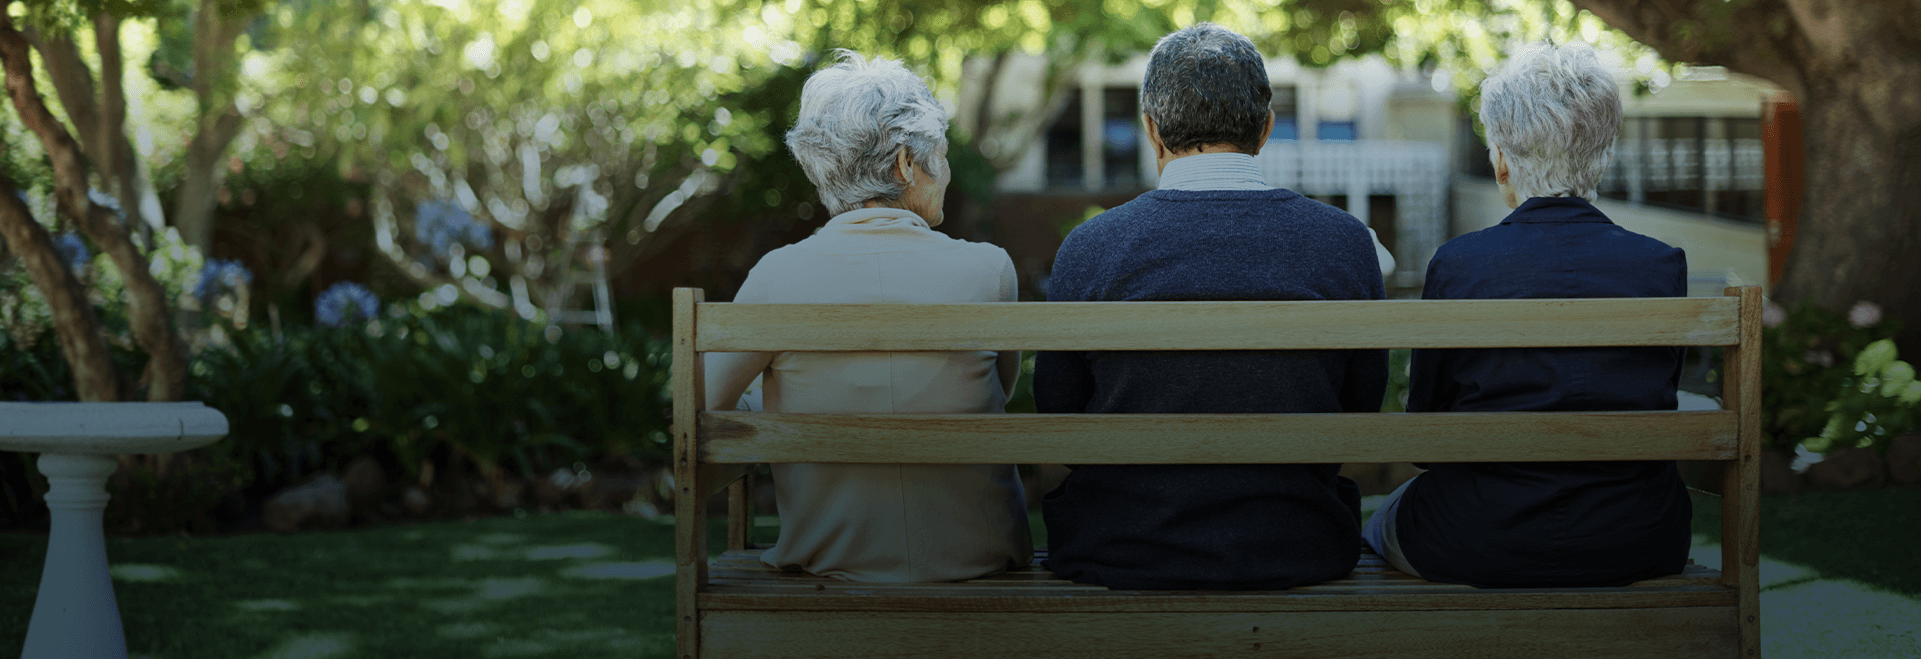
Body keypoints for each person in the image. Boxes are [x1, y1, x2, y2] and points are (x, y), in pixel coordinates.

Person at [1036, 23, 1388, 591]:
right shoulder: (1344, 242)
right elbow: (1360, 411)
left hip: (1120, 547)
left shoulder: (1090, 248)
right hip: (1300, 545)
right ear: (1267, 128)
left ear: (1151, 130)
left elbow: (1060, 418)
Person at [1363, 42, 1691, 588]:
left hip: (1478, 535)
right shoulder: (1659, 266)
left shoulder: (1461, 265)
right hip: (1638, 536)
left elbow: (1426, 438)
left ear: (1500, 162)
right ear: (1602, 156)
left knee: (1379, 524)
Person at [701, 51, 1032, 583]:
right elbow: (998, 389)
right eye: (941, 156)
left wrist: (772, 402)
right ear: (906, 163)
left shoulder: (776, 276)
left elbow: (701, 417)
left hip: (829, 562)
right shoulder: (988, 269)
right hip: (978, 559)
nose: (945, 174)